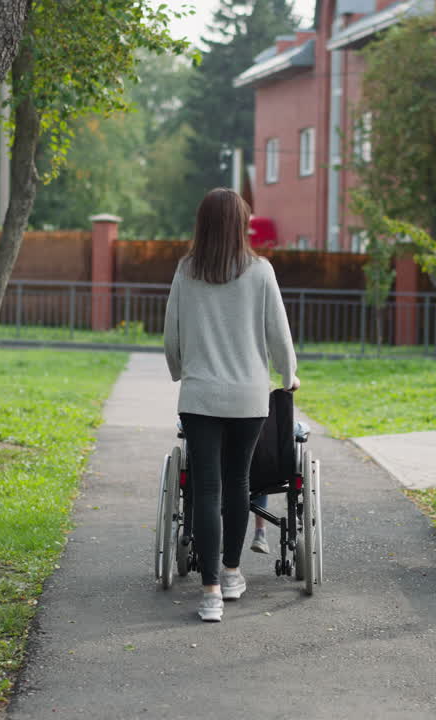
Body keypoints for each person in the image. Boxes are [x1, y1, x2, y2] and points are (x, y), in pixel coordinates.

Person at [163, 188, 298, 622]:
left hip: (200, 395)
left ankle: (210, 594)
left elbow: (172, 336)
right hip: (249, 397)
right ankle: (233, 571)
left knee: (206, 488)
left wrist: (181, 369)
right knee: (238, 482)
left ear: (202, 224)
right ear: (242, 224)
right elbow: (278, 332)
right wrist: (287, 373)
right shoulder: (261, 272)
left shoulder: (187, 270)